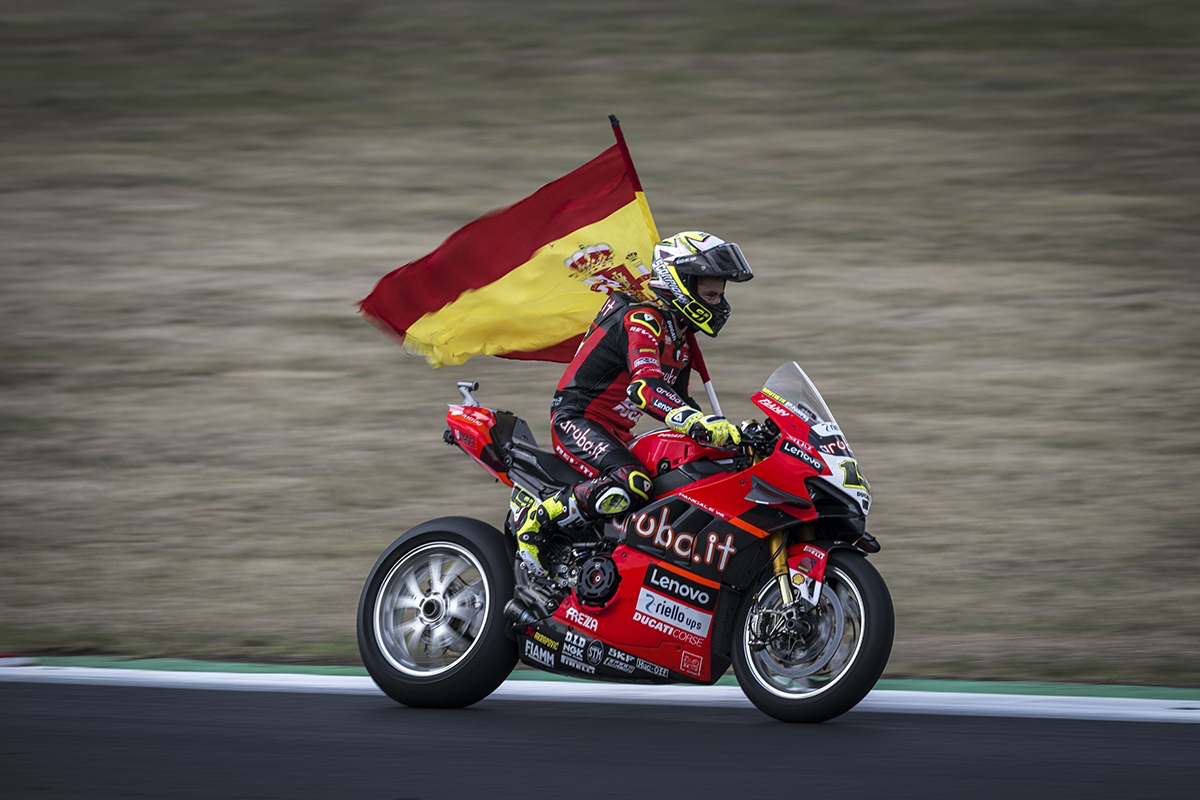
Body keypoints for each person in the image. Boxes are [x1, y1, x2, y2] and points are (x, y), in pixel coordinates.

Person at [513, 231, 754, 580]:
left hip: (617, 433)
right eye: (711, 294)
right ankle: (538, 518)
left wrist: (729, 435)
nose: (719, 304)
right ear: (681, 283)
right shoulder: (642, 318)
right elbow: (646, 388)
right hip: (577, 419)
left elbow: (681, 401)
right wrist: (698, 424)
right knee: (632, 483)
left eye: (720, 294)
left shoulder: (681, 338)